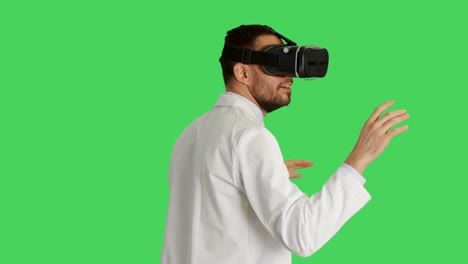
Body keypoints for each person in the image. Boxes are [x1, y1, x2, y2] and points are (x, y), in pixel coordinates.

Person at [161, 24, 409, 264]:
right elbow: (303, 235)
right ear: (243, 73)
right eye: (275, 63)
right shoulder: (251, 137)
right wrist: (358, 160)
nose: (289, 76)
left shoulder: (190, 134)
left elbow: (210, 213)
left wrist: (254, 173)